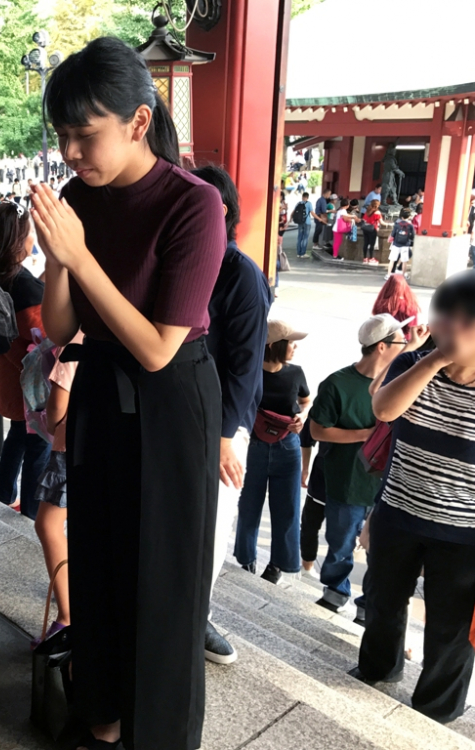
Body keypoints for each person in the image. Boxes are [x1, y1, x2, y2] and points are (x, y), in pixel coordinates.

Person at [33, 36, 226, 750]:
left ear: (139, 122)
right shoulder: (81, 197)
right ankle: (102, 715)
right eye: (63, 137)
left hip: (171, 399)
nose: (71, 154)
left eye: (85, 135)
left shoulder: (193, 205)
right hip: (100, 392)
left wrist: (79, 254)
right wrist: (59, 262)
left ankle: (161, 737)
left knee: (164, 578)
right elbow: (62, 327)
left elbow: (156, 347)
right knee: (102, 556)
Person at [354, 271, 475, 724]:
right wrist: (432, 360)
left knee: (451, 630)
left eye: (471, 320)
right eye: (450, 315)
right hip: (399, 513)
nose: (455, 327)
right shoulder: (413, 364)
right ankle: (375, 674)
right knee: (383, 602)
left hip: (468, 532)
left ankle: (435, 713)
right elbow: (384, 411)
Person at [193, 163, 271, 665]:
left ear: (219, 212)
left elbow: (245, 366)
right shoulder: (186, 261)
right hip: (184, 412)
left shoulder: (241, 275)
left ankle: (194, 614)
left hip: (223, 422)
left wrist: (225, 435)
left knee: (215, 521)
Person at [310, 314, 412, 612]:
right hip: (347, 480)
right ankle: (335, 591)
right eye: (400, 342)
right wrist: (366, 434)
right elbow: (318, 430)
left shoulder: (401, 384)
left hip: (388, 487)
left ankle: (370, 604)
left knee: (381, 550)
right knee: (341, 543)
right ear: (381, 346)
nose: (407, 346)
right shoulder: (337, 383)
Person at [0, 200, 51, 519]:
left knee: (18, 435)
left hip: (7, 376)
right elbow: (44, 334)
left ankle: (3, 493)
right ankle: (32, 511)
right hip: (33, 385)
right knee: (40, 445)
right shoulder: (24, 286)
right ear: (20, 239)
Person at [234, 320, 309, 583]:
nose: (295, 347)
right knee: (248, 506)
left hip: (287, 447)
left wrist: (303, 416)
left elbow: (305, 400)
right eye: (291, 342)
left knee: (287, 508)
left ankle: (278, 565)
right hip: (252, 446)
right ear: (276, 346)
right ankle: (246, 561)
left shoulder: (296, 372)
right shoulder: (249, 372)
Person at [33, 329, 85, 646]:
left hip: (70, 450)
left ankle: (67, 619)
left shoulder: (76, 342)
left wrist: (53, 426)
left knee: (48, 526)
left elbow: (56, 411)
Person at [298, 414, 327, 579]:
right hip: (324, 476)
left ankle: (307, 566)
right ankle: (307, 566)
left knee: (310, 524)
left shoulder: (327, 395)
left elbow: (307, 438)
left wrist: (305, 469)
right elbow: (308, 437)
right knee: (345, 535)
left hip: (322, 473)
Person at [372, 275, 420, 340]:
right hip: (403, 341)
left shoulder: (381, 304)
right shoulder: (409, 305)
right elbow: (412, 328)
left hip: (383, 340)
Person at [387, 207, 415, 278]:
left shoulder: (397, 224)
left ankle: (389, 274)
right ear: (408, 217)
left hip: (396, 244)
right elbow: (412, 235)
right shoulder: (410, 225)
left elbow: (393, 234)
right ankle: (402, 275)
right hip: (405, 245)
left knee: (392, 260)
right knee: (404, 261)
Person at [361, 200, 383, 265]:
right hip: (372, 229)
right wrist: (389, 224)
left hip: (366, 229)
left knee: (366, 243)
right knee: (372, 244)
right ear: (378, 205)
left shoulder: (367, 211)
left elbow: (364, 220)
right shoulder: (377, 212)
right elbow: (381, 222)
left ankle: (365, 258)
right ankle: (371, 258)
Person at [292, 190, 312, 257]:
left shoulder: (298, 203)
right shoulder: (309, 204)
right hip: (307, 222)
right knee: (305, 238)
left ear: (302, 197)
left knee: (299, 237)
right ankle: (303, 253)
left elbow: (293, 212)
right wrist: (319, 219)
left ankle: (298, 253)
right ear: (307, 197)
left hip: (300, 222)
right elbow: (312, 213)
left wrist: (289, 219)